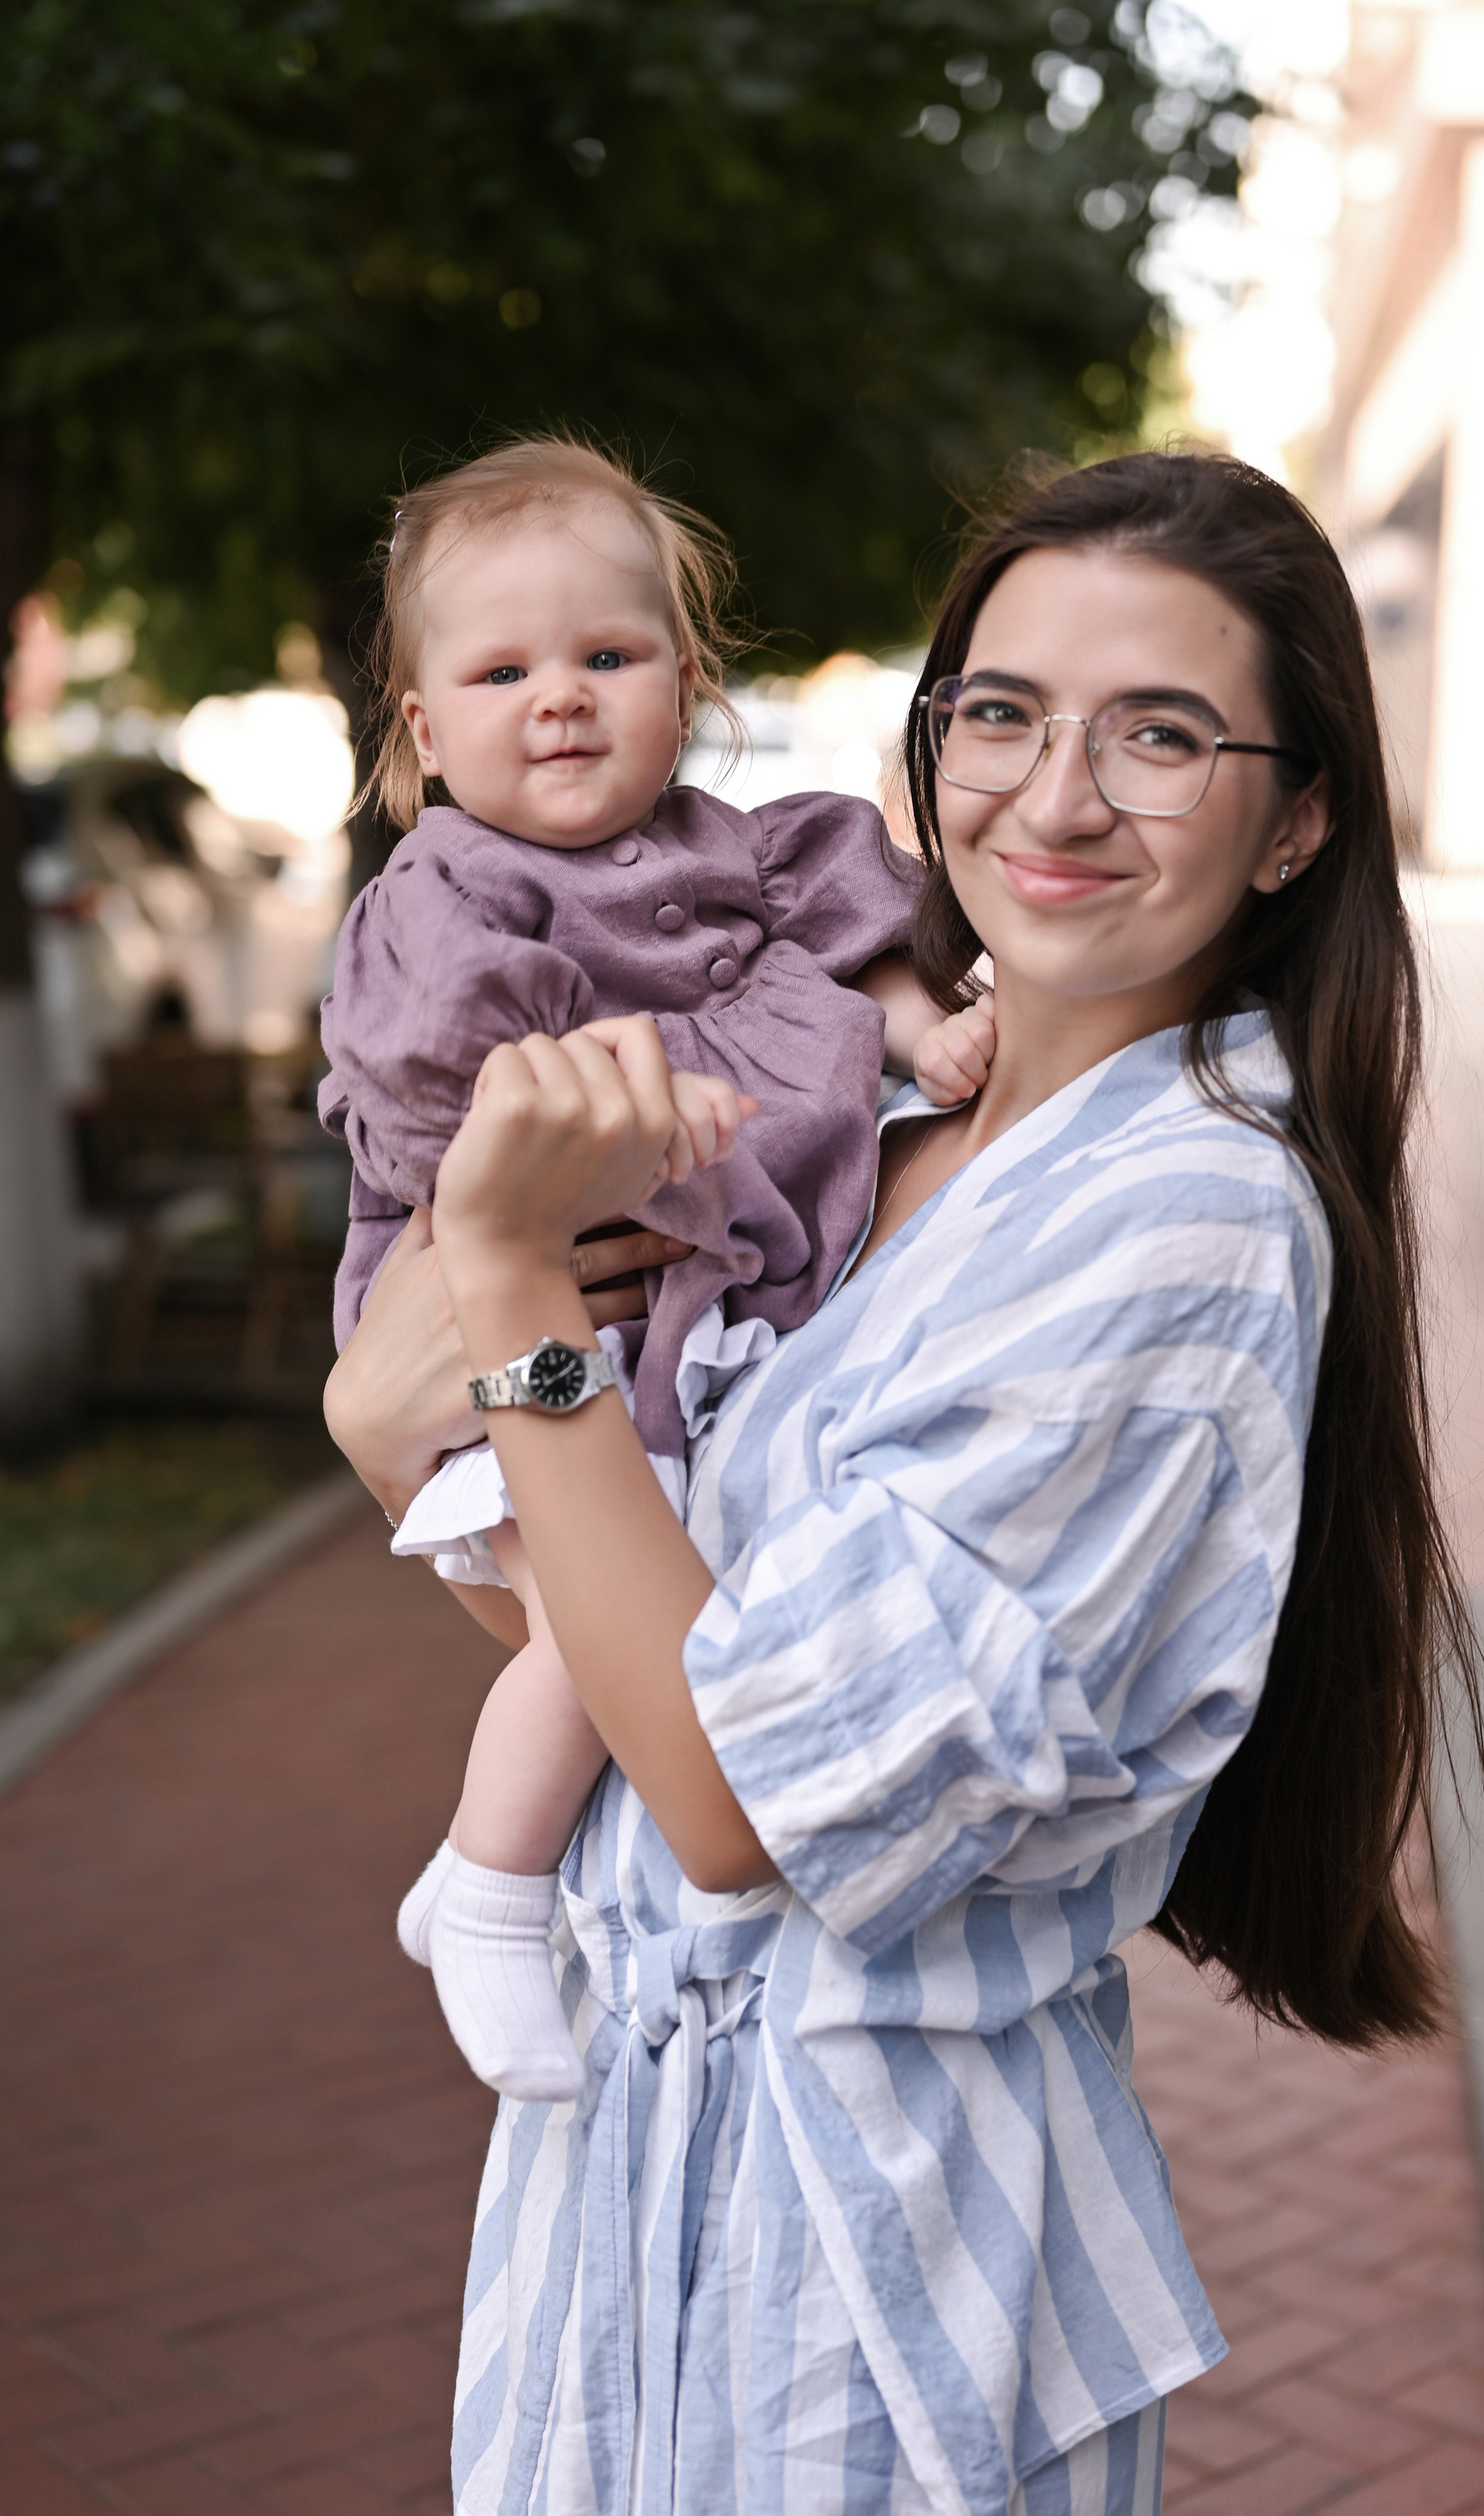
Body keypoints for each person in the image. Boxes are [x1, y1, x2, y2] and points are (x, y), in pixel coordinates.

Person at [326, 450, 1484, 2515]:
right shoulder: (864, 1126)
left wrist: (512, 1297)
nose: (1056, 798)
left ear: (1300, 817)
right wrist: (381, 1429)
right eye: (1004, 712)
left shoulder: (1182, 1220)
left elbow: (734, 1794)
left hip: (859, 2291)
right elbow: (635, 1645)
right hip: (626, 2205)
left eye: (1162, 736)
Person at [318, 436, 995, 2105]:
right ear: (424, 731)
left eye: (607, 656)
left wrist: (921, 1027)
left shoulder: (746, 856)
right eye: (501, 672)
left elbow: (851, 961)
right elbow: (441, 1098)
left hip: (669, 1321)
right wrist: (603, 1106)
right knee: (585, 1633)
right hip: (525, 1319)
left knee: (645, 1609)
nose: (559, 696)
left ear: (687, 684)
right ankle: (487, 1883)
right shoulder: (447, 895)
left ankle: (498, 1882)